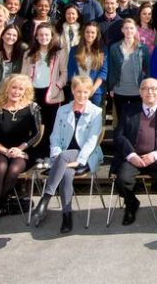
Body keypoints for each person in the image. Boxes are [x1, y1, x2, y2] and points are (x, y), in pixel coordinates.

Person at [31, 75, 104, 234]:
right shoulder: (62, 110)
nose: (82, 95)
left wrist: (79, 160)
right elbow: (55, 136)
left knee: (64, 158)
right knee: (66, 174)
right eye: (78, 92)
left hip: (86, 155)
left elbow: (92, 141)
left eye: (86, 92)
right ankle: (66, 215)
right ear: (72, 91)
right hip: (64, 156)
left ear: (90, 92)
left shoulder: (96, 112)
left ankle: (45, 199)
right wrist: (57, 154)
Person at [0, 74, 42, 240]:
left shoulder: (32, 108)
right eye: (14, 87)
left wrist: (20, 148)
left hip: (21, 150)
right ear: (6, 88)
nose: (17, 91)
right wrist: (6, 151)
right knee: (1, 167)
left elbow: (36, 134)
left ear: (26, 91)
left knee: (13, 169)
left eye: (21, 88)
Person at [113, 77, 157, 233]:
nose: (150, 91)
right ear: (140, 92)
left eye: (154, 88)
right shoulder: (128, 110)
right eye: (145, 88)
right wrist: (131, 155)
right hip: (133, 157)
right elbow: (119, 136)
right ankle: (131, 205)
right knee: (122, 179)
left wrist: (156, 154)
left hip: (156, 158)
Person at [20, 24, 68, 158]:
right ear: (36, 36)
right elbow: (23, 74)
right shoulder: (29, 53)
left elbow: (64, 73)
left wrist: (58, 87)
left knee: (51, 125)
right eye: (40, 35)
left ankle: (48, 154)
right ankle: (35, 154)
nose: (44, 37)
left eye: (47, 34)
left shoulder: (59, 52)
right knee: (35, 124)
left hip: (52, 93)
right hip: (33, 93)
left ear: (52, 36)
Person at [107, 18, 152, 123]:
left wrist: (147, 86)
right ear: (122, 30)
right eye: (126, 28)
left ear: (135, 29)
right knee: (121, 121)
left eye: (131, 28)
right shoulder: (114, 48)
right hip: (119, 90)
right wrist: (111, 88)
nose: (129, 31)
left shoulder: (143, 48)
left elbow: (148, 68)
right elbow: (112, 68)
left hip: (137, 91)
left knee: (136, 121)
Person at [67, 22, 108, 106]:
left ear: (97, 34)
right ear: (83, 33)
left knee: (95, 117)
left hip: (96, 91)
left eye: (93, 32)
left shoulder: (102, 50)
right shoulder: (74, 49)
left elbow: (103, 72)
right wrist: (77, 88)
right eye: (87, 32)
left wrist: (93, 89)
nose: (90, 34)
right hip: (77, 90)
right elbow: (71, 71)